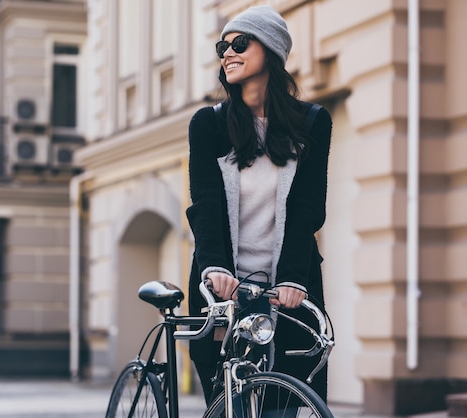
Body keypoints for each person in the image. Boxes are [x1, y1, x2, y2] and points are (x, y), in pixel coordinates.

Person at [185, 5, 332, 405]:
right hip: (223, 286)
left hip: (287, 286)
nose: (227, 53)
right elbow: (205, 204)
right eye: (223, 46)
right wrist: (214, 269)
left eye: (240, 43)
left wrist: (291, 279)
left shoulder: (313, 122)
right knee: (226, 397)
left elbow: (307, 210)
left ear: (270, 50)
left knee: (284, 403)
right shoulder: (209, 125)